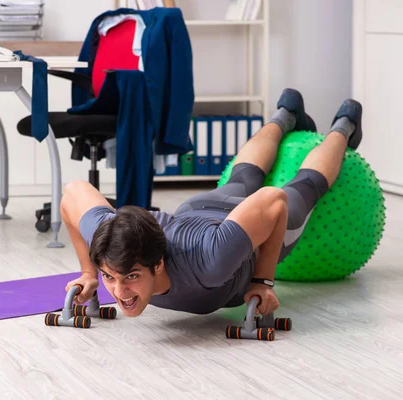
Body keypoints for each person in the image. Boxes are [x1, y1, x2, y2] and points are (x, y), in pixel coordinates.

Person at [60, 88, 363, 318]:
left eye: (132, 277)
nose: (119, 292)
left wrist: (262, 280)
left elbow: (274, 200)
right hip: (199, 210)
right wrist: (89, 272)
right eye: (110, 277)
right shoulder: (111, 242)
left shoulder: (210, 263)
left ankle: (345, 123)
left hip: (242, 234)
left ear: (159, 263)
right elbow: (72, 193)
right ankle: (286, 114)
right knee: (243, 175)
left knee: (305, 186)